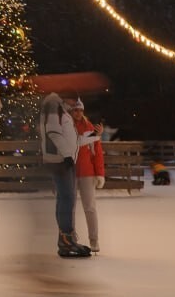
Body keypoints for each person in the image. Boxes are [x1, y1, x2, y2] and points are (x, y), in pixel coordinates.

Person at [40, 92, 94, 258]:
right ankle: (66, 240)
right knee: (67, 198)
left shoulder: (62, 110)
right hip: (60, 161)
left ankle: (66, 239)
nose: (74, 104)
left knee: (66, 198)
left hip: (64, 160)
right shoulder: (54, 106)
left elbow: (72, 140)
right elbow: (53, 133)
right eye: (73, 100)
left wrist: (93, 136)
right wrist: (68, 156)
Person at [69, 99, 105, 254]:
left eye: (80, 110)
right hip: (69, 173)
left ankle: (94, 240)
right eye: (75, 110)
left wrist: (99, 173)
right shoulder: (66, 126)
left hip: (86, 173)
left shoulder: (89, 127)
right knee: (69, 209)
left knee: (90, 208)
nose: (78, 113)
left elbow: (97, 154)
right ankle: (70, 239)